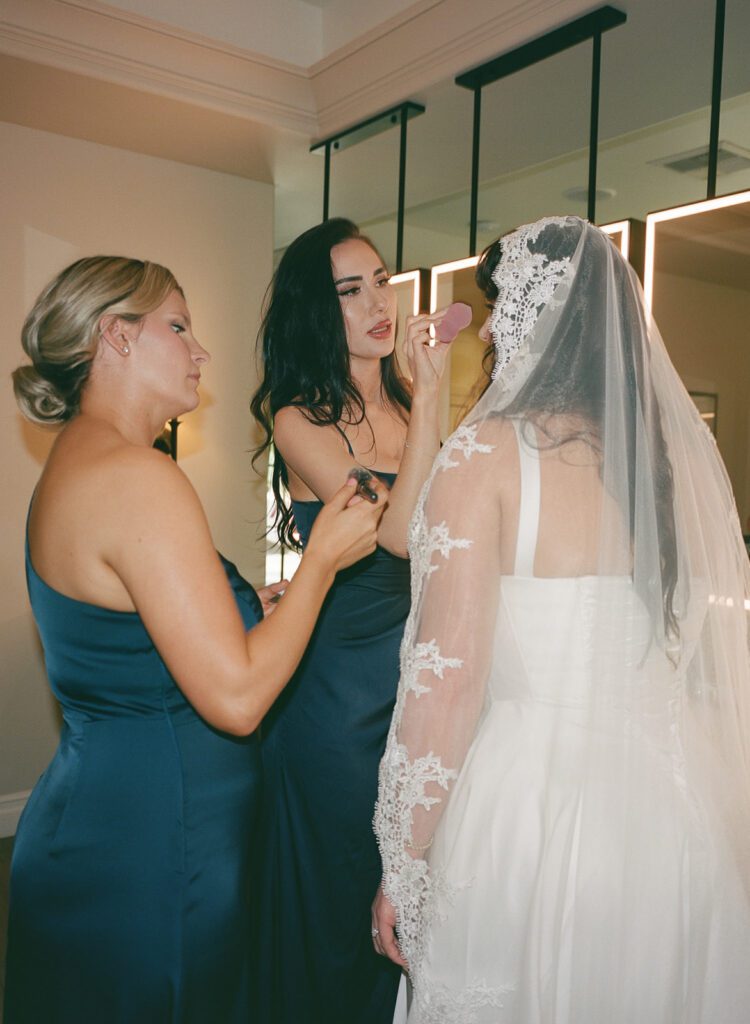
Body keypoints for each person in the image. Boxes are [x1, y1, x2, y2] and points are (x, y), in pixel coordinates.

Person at [373, 216, 750, 1023]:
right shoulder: (650, 461)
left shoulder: (486, 457)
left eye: (499, 309)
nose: (488, 336)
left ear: (532, 318)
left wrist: (403, 863)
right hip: (672, 820)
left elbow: (448, 683)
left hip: (535, 818)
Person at [5, 255, 384, 1024]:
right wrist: (320, 564)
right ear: (116, 337)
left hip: (102, 822)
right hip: (155, 847)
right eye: (178, 327)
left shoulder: (78, 461)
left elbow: (135, 632)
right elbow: (238, 700)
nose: (201, 351)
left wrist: (249, 605)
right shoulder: (138, 476)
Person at [250, 218, 453, 1023]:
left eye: (382, 280)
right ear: (317, 308)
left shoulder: (411, 404)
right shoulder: (298, 419)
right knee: (343, 891)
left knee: (412, 888)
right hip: (336, 697)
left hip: (421, 677)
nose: (379, 302)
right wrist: (433, 398)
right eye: (350, 289)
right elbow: (395, 533)